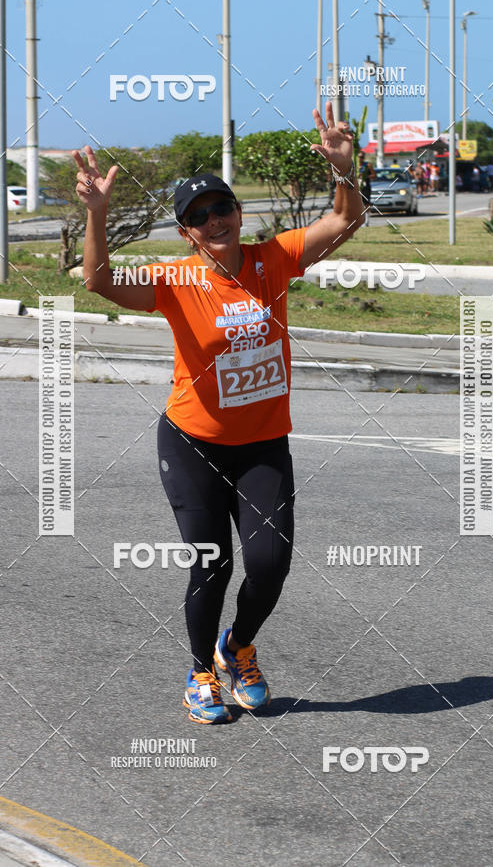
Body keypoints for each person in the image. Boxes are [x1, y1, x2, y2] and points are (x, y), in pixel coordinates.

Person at [72, 102, 363, 725]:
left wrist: (345, 168)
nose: (214, 220)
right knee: (212, 562)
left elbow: (344, 218)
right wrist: (96, 214)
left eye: (222, 207)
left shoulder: (273, 260)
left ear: (239, 212)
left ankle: (239, 646)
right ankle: (201, 671)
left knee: (269, 562)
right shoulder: (175, 279)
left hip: (262, 445)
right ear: (186, 232)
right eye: (198, 217)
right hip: (193, 442)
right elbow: (97, 280)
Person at [358, 154, 376, 225]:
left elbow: (374, 175)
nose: (360, 159)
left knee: (366, 203)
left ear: (364, 158)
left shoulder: (368, 165)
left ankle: (366, 221)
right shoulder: (354, 165)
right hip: (357, 187)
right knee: (358, 204)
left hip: (366, 187)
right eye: (359, 157)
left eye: (362, 157)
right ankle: (360, 220)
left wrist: (366, 176)